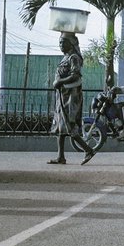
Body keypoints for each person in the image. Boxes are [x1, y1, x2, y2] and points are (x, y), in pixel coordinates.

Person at [48, 33, 90, 165]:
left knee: (69, 125)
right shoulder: (65, 58)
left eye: (63, 42)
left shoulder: (74, 58)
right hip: (62, 96)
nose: (60, 45)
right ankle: (61, 157)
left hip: (71, 97)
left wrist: (60, 81)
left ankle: (88, 150)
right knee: (60, 128)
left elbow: (75, 75)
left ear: (71, 44)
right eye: (59, 42)